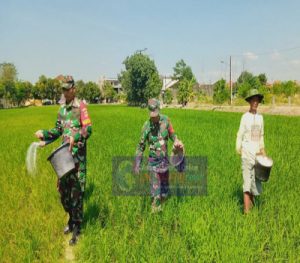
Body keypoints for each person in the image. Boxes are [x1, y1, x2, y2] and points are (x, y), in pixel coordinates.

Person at [35, 75, 92, 245]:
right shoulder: (62, 110)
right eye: (63, 89)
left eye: (68, 89)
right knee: (63, 193)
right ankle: (71, 218)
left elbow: (88, 129)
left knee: (77, 193)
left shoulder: (81, 107)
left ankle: (77, 227)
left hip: (77, 159)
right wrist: (44, 135)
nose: (65, 92)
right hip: (62, 159)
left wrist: (76, 136)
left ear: (74, 89)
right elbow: (58, 130)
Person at [134, 98, 183, 213]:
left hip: (165, 163)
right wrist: (137, 164)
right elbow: (140, 147)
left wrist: (176, 141)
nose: (154, 117)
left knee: (165, 193)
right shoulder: (146, 126)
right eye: (152, 114)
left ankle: (164, 214)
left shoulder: (166, 121)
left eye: (155, 114)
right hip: (153, 165)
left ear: (159, 109)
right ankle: (155, 219)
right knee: (156, 196)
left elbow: (172, 134)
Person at [236, 89, 266, 214]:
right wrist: (239, 148)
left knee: (255, 183)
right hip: (247, 154)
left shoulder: (260, 118)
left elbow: (261, 135)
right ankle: (246, 212)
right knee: (247, 182)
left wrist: (263, 150)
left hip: (257, 155)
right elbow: (240, 134)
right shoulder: (245, 117)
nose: (255, 102)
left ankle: (252, 208)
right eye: (253, 100)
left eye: (257, 100)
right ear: (249, 102)